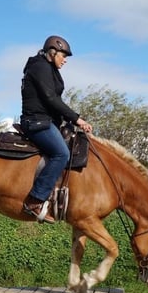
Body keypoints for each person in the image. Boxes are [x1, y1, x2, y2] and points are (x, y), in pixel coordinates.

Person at [19, 35, 93, 223]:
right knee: (62, 154)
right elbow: (51, 99)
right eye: (63, 55)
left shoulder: (48, 68)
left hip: (46, 121)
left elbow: (53, 101)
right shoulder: (40, 67)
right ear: (53, 52)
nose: (65, 60)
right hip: (36, 122)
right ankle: (35, 200)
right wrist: (77, 119)